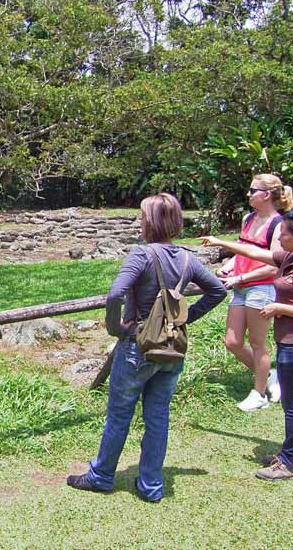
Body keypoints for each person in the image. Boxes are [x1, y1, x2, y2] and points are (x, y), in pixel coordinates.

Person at [67, 193, 226, 502]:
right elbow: (217, 290)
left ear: (151, 222)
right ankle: (151, 485)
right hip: (171, 347)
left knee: (119, 415)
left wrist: (116, 328)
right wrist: (185, 318)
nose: (139, 221)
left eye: (142, 216)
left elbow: (115, 294)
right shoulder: (187, 258)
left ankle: (101, 476)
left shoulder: (141, 255)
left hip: (137, 346)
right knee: (158, 416)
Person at [201, 208, 293, 480]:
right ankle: (289, 454)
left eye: (283, 233)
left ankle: (292, 463)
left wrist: (277, 307)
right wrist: (221, 242)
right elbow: (254, 253)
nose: (279, 238)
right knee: (291, 404)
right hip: (287, 343)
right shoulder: (291, 258)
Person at [217, 174, 293, 412]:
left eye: (253, 190)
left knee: (257, 342)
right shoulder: (248, 218)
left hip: (262, 287)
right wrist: (229, 265)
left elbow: (274, 265)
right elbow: (243, 250)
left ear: (267, 195)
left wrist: (239, 277)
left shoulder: (279, 224)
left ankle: (259, 393)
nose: (249, 194)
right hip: (240, 287)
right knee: (232, 341)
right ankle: (269, 375)